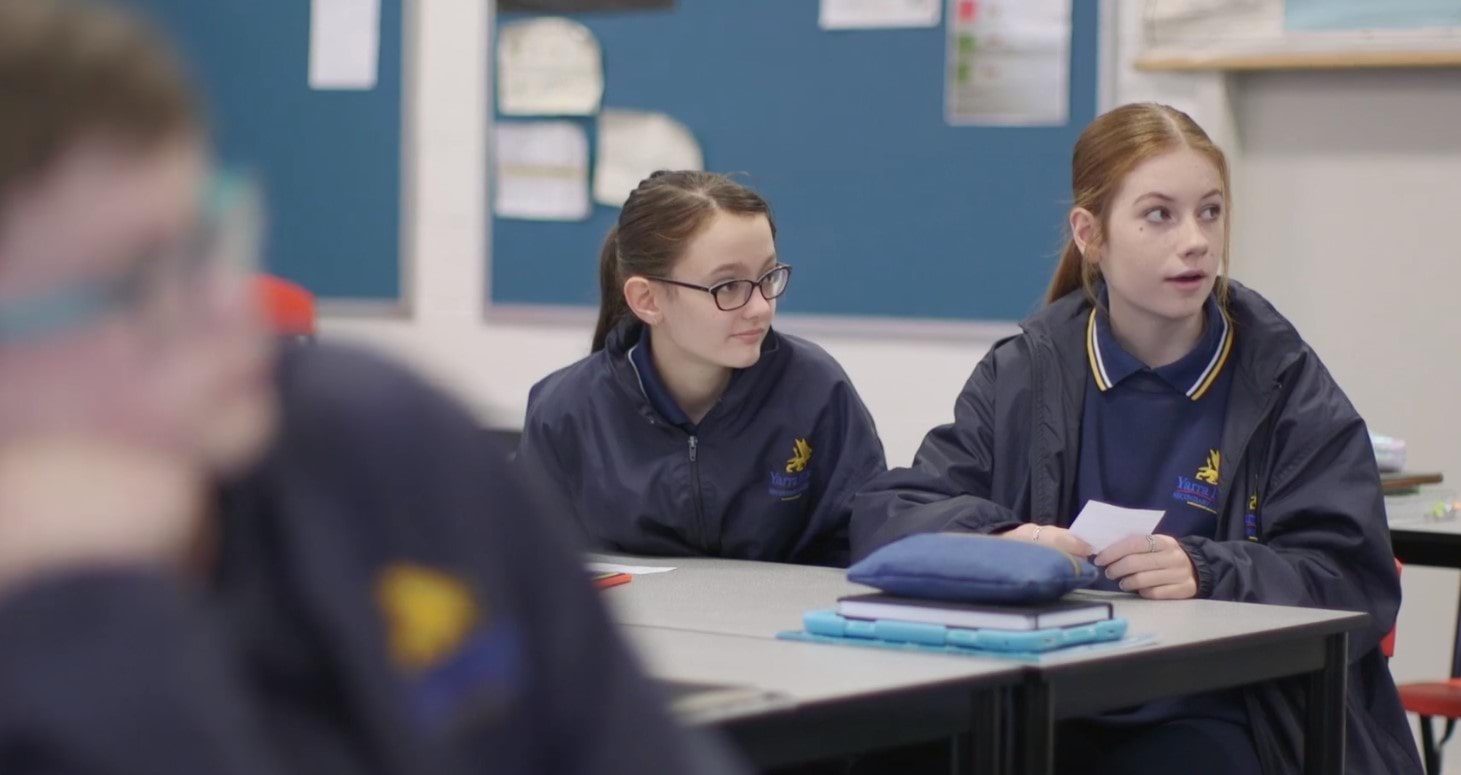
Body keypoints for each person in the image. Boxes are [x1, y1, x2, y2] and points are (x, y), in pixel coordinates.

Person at [0, 2, 743, 773]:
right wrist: (91, 617)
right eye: (141, 282)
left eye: (212, 235)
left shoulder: (377, 442)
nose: (234, 308)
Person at [850, 102, 1421, 774]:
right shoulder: (1028, 369)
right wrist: (1003, 539)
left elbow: (1351, 576)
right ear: (1089, 233)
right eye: (1159, 215)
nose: (1196, 241)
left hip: (1220, 709)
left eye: (1209, 212)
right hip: (1049, 696)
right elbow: (894, 512)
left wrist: (1209, 569)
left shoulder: (1281, 379)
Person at [520, 171, 885, 566]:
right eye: (727, 286)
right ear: (648, 300)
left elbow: (865, 545)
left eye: (768, 276)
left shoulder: (818, 391)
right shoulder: (565, 412)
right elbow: (529, 567)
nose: (761, 307)